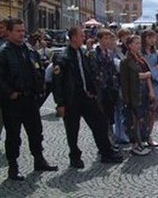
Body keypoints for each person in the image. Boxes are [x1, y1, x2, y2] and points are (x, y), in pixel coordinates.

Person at [53, 26, 123, 168]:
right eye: (81, 35)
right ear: (73, 37)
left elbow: (89, 74)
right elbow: (57, 82)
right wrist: (60, 103)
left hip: (87, 97)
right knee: (72, 129)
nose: (83, 38)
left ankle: (106, 152)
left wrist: (94, 91)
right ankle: (74, 156)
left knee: (100, 123)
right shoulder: (63, 57)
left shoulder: (84, 53)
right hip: (71, 99)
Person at [0, 18, 57, 181]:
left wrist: (40, 88)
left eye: (23, 31)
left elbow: (38, 70)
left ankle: (39, 160)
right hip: (13, 101)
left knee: (35, 132)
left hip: (30, 99)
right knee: (13, 136)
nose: (21, 34)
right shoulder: (4, 52)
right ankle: (13, 167)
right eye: (18, 31)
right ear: (9, 32)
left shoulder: (29, 50)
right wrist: (10, 92)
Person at [120, 35, 155, 156]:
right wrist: (144, 75)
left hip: (144, 90)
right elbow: (126, 79)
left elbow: (149, 75)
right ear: (129, 45)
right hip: (133, 92)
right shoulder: (126, 61)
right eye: (135, 43)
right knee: (133, 119)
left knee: (143, 116)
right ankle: (134, 144)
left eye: (139, 43)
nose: (138, 46)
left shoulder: (141, 59)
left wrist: (151, 90)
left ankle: (142, 141)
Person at [91, 29, 119, 148]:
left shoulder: (110, 53)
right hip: (100, 90)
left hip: (110, 89)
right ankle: (105, 142)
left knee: (110, 115)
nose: (108, 41)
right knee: (101, 117)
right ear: (100, 39)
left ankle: (109, 138)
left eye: (109, 38)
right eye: (105, 38)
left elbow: (113, 71)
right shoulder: (93, 53)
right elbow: (93, 72)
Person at [141, 30, 158, 146]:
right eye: (149, 37)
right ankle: (141, 136)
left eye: (153, 37)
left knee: (153, 112)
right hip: (144, 85)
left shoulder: (157, 53)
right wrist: (154, 70)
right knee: (144, 112)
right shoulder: (141, 54)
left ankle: (149, 135)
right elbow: (145, 71)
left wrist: (154, 71)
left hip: (157, 85)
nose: (152, 40)